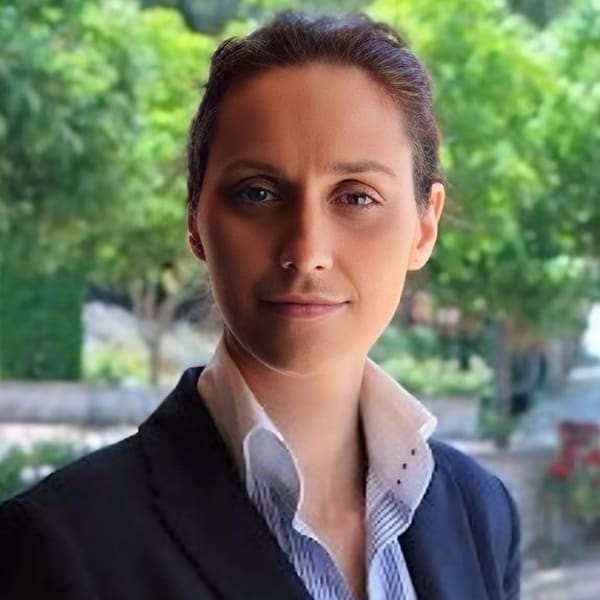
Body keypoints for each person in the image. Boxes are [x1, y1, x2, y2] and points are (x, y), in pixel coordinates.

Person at [0, 10, 521, 600]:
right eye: (258, 193)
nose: (306, 251)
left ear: (424, 227)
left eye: (356, 197)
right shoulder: (62, 543)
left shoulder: (481, 514)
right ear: (195, 220)